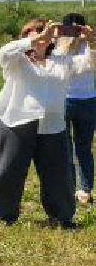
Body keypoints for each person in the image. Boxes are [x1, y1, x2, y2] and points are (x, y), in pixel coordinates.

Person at [0, 17, 90, 226]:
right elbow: (4, 52)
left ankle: (61, 217)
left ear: (53, 36)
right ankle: (3, 217)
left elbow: (88, 64)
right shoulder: (17, 60)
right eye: (30, 31)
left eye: (41, 30)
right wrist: (34, 40)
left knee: (58, 174)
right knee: (9, 171)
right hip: (16, 121)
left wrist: (92, 41)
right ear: (25, 36)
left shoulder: (61, 60)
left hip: (52, 125)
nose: (36, 33)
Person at [55, 12, 96, 206]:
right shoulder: (58, 46)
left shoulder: (90, 45)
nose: (75, 32)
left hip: (87, 101)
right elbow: (61, 68)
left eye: (78, 28)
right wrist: (64, 42)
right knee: (65, 148)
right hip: (64, 100)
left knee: (84, 147)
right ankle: (69, 188)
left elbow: (92, 64)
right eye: (70, 28)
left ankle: (86, 190)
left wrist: (90, 39)